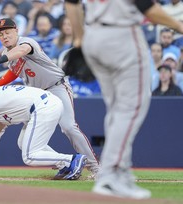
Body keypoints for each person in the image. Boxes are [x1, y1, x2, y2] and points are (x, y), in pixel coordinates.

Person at [0, 18, 99, 180]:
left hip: (57, 87)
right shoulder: (7, 55)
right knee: (12, 132)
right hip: (36, 97)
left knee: (68, 127)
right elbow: (13, 73)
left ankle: (95, 168)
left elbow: (21, 51)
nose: (4, 36)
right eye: (1, 34)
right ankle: (66, 164)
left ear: (16, 31)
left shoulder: (27, 42)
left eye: (7, 32)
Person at [65, 0, 183, 199]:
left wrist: (80, 39)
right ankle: (111, 175)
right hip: (122, 35)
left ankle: (119, 174)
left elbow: (72, 3)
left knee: (117, 109)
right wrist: (179, 25)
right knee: (130, 108)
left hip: (93, 34)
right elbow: (148, 8)